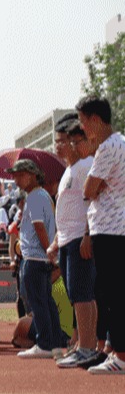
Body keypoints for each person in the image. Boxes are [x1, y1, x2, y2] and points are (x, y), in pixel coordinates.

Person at [46, 118, 99, 368]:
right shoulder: (69, 170)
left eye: (62, 141)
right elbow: (67, 210)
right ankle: (83, 344)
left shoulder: (85, 166)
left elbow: (92, 202)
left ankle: (88, 347)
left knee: (82, 294)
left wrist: (87, 234)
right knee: (76, 294)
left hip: (79, 237)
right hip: (68, 238)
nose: (58, 146)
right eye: (55, 141)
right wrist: (56, 241)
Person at [78, 95, 125, 374]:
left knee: (112, 295)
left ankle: (120, 355)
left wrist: (96, 186)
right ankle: (115, 350)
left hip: (109, 228)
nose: (83, 129)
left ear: (95, 119)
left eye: (84, 122)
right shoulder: (121, 142)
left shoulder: (107, 147)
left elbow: (88, 190)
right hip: (116, 227)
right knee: (115, 293)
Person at [7, 160, 65, 359]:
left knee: (38, 303)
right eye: (15, 175)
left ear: (32, 175)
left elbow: (39, 227)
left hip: (34, 258)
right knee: (46, 301)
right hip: (40, 258)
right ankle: (53, 343)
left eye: (20, 175)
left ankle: (45, 343)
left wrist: (49, 251)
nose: (16, 180)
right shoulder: (42, 196)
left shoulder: (34, 197)